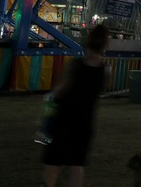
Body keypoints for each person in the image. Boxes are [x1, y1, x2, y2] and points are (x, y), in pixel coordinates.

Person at [41, 24, 109, 187]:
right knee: (77, 165)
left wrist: (48, 102)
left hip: (64, 120)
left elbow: (59, 90)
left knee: (53, 164)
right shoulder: (106, 70)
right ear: (104, 45)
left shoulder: (76, 65)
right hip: (85, 123)